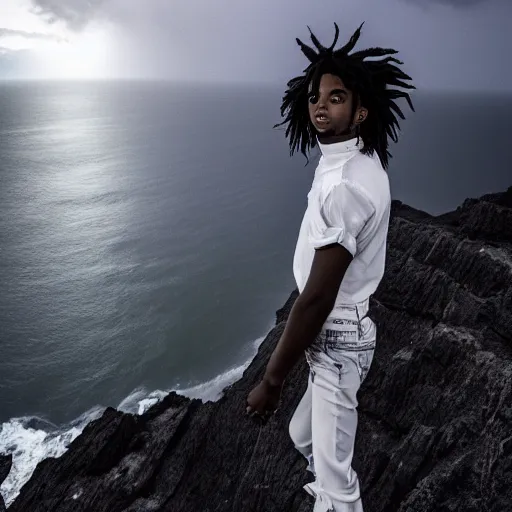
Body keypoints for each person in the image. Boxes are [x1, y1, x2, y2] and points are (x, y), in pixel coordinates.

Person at [245, 21, 415, 512]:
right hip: (342, 336)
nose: (320, 105)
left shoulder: (344, 187)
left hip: (337, 340)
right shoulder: (358, 160)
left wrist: (271, 382)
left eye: (336, 97)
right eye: (316, 96)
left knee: (339, 491)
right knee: (305, 437)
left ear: (360, 111)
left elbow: (317, 297)